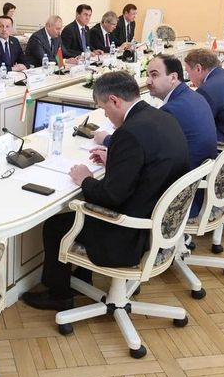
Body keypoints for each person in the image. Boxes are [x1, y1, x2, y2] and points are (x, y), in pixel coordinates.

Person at [21, 71, 189, 311]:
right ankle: (83, 277)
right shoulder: (161, 116)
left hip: (131, 233)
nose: (107, 117)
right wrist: (116, 160)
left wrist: (85, 179)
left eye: (104, 109)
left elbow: (111, 197)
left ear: (114, 101)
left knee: (55, 225)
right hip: (159, 222)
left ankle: (59, 295)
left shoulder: (128, 133)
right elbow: (149, 162)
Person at [146, 55, 217, 217]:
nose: (148, 81)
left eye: (154, 75)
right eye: (148, 75)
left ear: (173, 78)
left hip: (182, 196)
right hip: (200, 184)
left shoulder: (171, 110)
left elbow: (146, 148)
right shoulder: (194, 96)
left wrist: (108, 141)